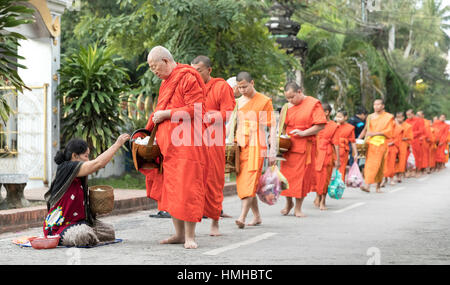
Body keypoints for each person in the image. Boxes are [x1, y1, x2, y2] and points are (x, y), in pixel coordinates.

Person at [143, 46, 210, 249]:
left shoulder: (187, 77)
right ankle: (179, 234)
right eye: (151, 68)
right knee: (170, 190)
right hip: (168, 147)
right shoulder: (166, 83)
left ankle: (190, 236)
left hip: (187, 145)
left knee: (187, 188)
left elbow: (196, 109)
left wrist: (166, 114)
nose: (154, 71)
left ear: (165, 60)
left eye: (155, 67)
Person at [43, 134, 130, 246]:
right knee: (83, 235)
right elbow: (98, 163)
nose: (88, 160)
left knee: (109, 231)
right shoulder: (66, 168)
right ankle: (61, 236)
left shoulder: (80, 174)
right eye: (86, 156)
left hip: (80, 222)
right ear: (75, 156)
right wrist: (117, 144)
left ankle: (85, 232)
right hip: (60, 226)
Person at [191, 55, 236, 236]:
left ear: (209, 70)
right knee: (193, 179)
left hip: (214, 139)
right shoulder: (191, 86)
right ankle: (193, 219)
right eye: (193, 71)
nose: (195, 74)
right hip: (192, 138)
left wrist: (211, 116)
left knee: (214, 179)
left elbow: (228, 112)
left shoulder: (221, 86)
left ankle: (215, 222)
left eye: (199, 71)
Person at [233, 71, 277, 229]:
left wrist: (273, 150)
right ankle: (257, 216)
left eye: (245, 86)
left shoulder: (264, 101)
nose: (243, 90)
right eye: (240, 87)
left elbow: (272, 127)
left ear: (252, 83)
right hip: (240, 144)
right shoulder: (237, 102)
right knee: (243, 182)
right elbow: (232, 124)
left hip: (257, 144)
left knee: (250, 181)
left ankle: (242, 217)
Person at [279, 82, 326, 217]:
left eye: (292, 97)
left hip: (305, 145)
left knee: (301, 178)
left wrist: (304, 133)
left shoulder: (313, 104)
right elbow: (282, 126)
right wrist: (280, 139)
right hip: (287, 146)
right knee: (286, 177)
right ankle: (288, 203)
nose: (290, 101)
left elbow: (321, 125)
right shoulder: (287, 107)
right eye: (287, 98)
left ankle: (298, 208)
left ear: (300, 92)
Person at [359, 99, 394, 193]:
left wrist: (375, 133)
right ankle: (367, 185)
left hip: (381, 143)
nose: (376, 106)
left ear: (383, 106)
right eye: (374, 104)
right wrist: (358, 140)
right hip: (370, 144)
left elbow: (389, 131)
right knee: (370, 164)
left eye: (378, 104)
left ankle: (377, 187)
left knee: (380, 165)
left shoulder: (388, 117)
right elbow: (366, 129)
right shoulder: (370, 117)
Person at [313, 102, 339, 211]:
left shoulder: (333, 125)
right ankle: (318, 196)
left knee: (325, 178)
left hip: (327, 153)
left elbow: (336, 143)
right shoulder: (314, 124)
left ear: (327, 112)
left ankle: (323, 200)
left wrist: (337, 159)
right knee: (317, 177)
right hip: (316, 153)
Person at [335, 110, 357, 182]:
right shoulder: (334, 126)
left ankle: (340, 183)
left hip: (343, 150)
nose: (338, 119)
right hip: (333, 149)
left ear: (345, 117)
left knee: (342, 168)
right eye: (337, 117)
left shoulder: (350, 127)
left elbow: (353, 141)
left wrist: (355, 153)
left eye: (340, 117)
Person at [393, 112, 413, 182]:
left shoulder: (408, 126)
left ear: (403, 117)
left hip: (403, 145)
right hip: (394, 144)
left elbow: (410, 137)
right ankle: (395, 174)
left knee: (402, 161)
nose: (399, 119)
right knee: (394, 160)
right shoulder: (394, 125)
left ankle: (399, 175)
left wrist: (405, 139)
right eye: (397, 117)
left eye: (400, 117)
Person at [382, 115, 401, 186]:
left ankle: (391, 179)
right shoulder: (385, 127)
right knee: (384, 164)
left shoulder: (397, 129)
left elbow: (398, 139)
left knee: (391, 164)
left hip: (392, 148)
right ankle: (384, 179)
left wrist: (392, 143)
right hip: (384, 147)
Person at [405, 109, 425, 178]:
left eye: (409, 114)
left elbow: (421, 131)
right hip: (408, 141)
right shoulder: (406, 121)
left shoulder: (418, 120)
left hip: (416, 141)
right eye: (407, 115)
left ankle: (417, 171)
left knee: (417, 156)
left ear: (413, 114)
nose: (408, 116)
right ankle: (409, 171)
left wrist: (411, 134)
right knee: (408, 156)